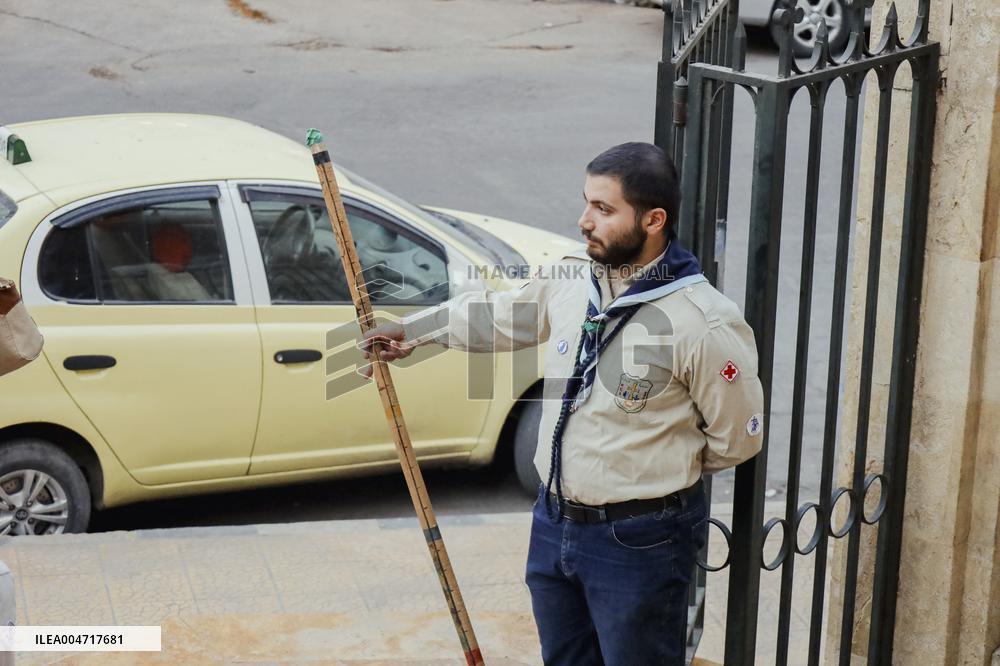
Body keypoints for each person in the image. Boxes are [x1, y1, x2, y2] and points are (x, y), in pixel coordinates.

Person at [360, 142, 763, 665]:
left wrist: (652, 466)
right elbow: (505, 316)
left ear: (654, 219)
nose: (584, 221)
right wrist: (415, 331)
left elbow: (737, 438)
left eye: (603, 209)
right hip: (554, 525)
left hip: (639, 541)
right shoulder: (574, 277)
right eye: (586, 203)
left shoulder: (702, 320)